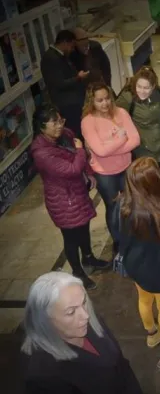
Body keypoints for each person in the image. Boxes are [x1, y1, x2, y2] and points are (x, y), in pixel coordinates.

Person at [23, 272, 144, 394]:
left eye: (84, 302)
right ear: (45, 320)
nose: (85, 315)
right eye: (71, 312)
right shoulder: (44, 376)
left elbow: (120, 363)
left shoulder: (90, 322)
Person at [31, 104, 110, 290]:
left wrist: (90, 174)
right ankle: (78, 272)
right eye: (54, 123)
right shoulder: (41, 153)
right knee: (71, 238)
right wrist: (81, 150)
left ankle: (89, 258)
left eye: (60, 120)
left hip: (78, 193)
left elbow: (82, 162)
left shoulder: (65, 134)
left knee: (84, 229)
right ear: (42, 126)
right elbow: (72, 169)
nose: (59, 125)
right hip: (63, 200)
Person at [114, 157, 160, 354]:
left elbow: (119, 236)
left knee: (144, 300)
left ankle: (152, 335)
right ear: (156, 181)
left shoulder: (123, 206)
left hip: (136, 266)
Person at [81, 82, 140, 251]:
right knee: (113, 207)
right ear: (92, 101)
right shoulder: (88, 122)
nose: (105, 103)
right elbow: (100, 151)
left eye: (107, 98)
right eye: (99, 100)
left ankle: (133, 235)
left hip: (126, 167)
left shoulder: (121, 112)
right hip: (105, 173)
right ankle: (118, 241)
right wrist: (121, 138)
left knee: (132, 203)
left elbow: (135, 140)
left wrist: (109, 145)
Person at [117, 66, 160, 198]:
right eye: (139, 86)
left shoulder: (159, 94)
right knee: (149, 187)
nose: (142, 91)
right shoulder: (127, 98)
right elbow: (115, 116)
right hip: (143, 150)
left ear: (153, 86)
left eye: (146, 88)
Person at [40, 29, 88, 139]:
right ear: (65, 42)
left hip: (73, 102)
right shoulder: (51, 58)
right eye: (71, 46)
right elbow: (59, 83)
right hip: (67, 104)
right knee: (76, 132)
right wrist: (78, 78)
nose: (71, 50)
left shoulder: (60, 56)